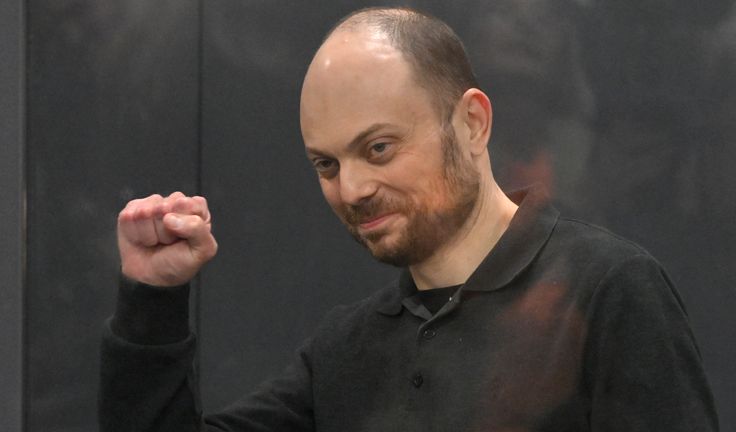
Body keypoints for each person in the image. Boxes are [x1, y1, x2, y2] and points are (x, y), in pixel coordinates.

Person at [99, 7, 718, 432]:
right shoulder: (348, 348)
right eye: (325, 163)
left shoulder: (610, 291)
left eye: (378, 149)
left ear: (471, 123)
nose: (352, 188)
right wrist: (151, 300)